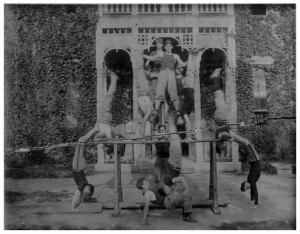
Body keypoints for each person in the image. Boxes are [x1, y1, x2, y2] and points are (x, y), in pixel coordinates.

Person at [143, 40, 188, 123]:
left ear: (172, 47)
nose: (168, 47)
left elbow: (182, 64)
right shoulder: (161, 54)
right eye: (166, 46)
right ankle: (155, 113)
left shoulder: (175, 55)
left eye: (169, 46)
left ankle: (178, 116)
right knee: (159, 92)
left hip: (171, 73)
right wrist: (142, 54)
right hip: (163, 72)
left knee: (173, 93)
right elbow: (152, 58)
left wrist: (191, 58)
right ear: (165, 47)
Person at [219, 131, 261, 208]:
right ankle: (231, 134)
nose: (248, 187)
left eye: (246, 187)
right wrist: (256, 204)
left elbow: (253, 190)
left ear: (245, 183)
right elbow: (255, 191)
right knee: (246, 142)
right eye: (247, 188)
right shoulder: (251, 181)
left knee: (245, 142)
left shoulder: (250, 180)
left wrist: (253, 202)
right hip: (255, 160)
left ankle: (231, 134)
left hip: (253, 161)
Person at [78, 69, 119, 142]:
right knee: (109, 96)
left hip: (102, 118)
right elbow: (102, 134)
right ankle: (114, 79)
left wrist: (85, 137)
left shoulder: (106, 135)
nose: (100, 138)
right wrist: (96, 137)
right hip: (104, 118)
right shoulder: (108, 136)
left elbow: (94, 130)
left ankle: (113, 79)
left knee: (109, 97)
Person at [131, 42, 156, 137]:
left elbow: (143, 123)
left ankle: (138, 50)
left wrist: (142, 136)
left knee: (139, 68)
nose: (149, 118)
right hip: (142, 91)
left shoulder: (149, 111)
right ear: (153, 116)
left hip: (142, 91)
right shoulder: (148, 110)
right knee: (139, 68)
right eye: (151, 119)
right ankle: (138, 50)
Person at [177, 48, 201, 140]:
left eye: (177, 120)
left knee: (190, 71)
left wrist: (189, 136)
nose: (178, 120)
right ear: (182, 123)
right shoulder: (184, 113)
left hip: (188, 90)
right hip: (189, 90)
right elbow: (189, 123)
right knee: (191, 71)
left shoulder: (184, 112)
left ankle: (191, 54)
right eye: (179, 122)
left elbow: (188, 123)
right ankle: (192, 54)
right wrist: (189, 136)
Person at [71, 143, 95, 210]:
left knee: (79, 152)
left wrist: (78, 204)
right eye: (87, 192)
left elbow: (79, 196)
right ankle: (81, 143)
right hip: (78, 167)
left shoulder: (84, 185)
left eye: (86, 193)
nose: (85, 192)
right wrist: (73, 207)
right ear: (88, 187)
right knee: (80, 151)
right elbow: (76, 196)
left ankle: (80, 143)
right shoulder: (83, 184)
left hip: (77, 167)